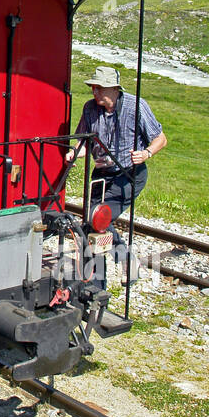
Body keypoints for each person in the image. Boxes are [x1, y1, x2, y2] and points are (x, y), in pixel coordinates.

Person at [65, 66, 168, 281]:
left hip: (128, 174)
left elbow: (161, 138)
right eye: (93, 87)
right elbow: (84, 142)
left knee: (97, 217)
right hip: (101, 175)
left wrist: (146, 153)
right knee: (89, 225)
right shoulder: (89, 109)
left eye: (99, 88)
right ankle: (95, 282)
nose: (95, 92)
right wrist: (74, 154)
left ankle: (126, 260)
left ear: (114, 89)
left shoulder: (136, 106)